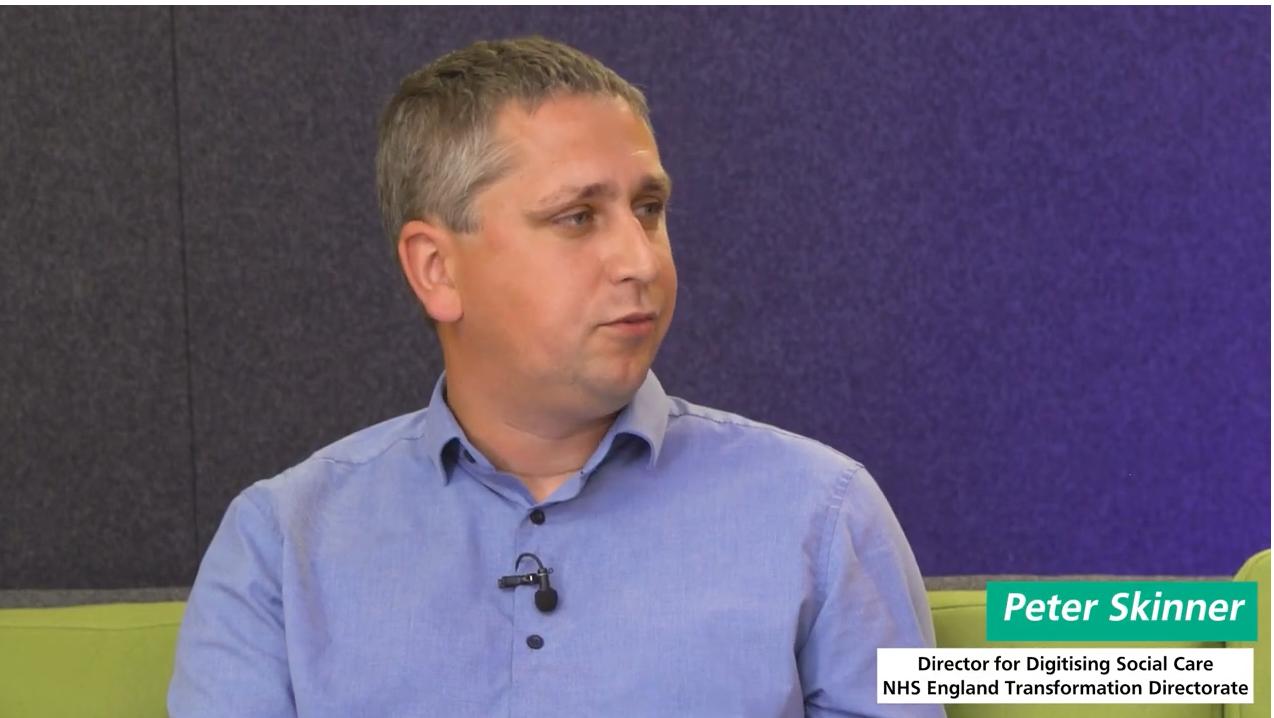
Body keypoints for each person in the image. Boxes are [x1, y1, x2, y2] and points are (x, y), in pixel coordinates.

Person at [168, 36, 943, 718]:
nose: (641, 261)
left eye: (649, 208)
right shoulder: (278, 549)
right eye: (577, 217)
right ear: (436, 269)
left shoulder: (824, 515)